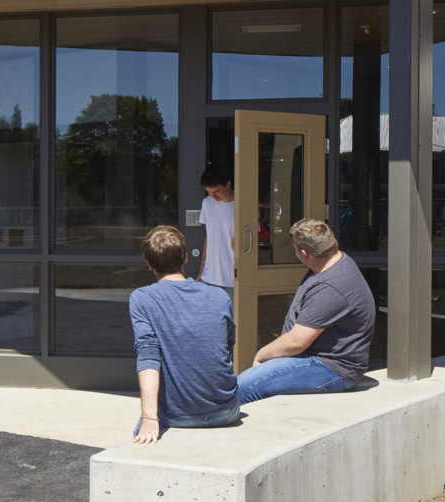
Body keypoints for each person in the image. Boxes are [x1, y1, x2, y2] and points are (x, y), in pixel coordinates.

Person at [236, 218, 374, 402]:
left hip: (332, 368)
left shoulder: (331, 286)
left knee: (245, 386)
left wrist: (262, 355)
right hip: (318, 357)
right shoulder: (335, 262)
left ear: (303, 253)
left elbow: (296, 342)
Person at [128, 225, 240, 443]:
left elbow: (148, 356)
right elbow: (227, 347)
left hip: (177, 416)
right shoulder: (219, 296)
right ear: (186, 258)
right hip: (226, 410)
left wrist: (149, 418)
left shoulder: (142, 298)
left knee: (137, 437)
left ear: (149, 265)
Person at [197, 166, 236, 311]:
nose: (213, 196)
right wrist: (201, 272)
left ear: (228, 183)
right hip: (209, 278)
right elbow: (210, 237)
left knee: (240, 327)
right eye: (209, 192)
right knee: (209, 326)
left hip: (235, 279)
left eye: (217, 191)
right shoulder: (207, 203)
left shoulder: (244, 205)